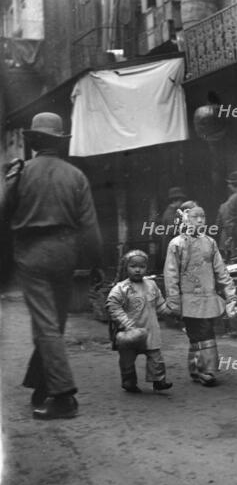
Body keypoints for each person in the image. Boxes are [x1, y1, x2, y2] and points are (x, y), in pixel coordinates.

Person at [9, 112, 102, 419]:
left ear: (34, 141)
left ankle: (63, 396)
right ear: (60, 143)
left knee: (45, 323)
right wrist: (91, 263)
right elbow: (89, 227)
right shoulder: (76, 176)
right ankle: (41, 382)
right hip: (65, 252)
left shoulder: (20, 171)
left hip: (31, 252)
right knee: (53, 321)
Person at [164, 201, 237, 387]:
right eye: (194, 217)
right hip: (188, 298)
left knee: (203, 332)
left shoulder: (210, 243)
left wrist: (231, 295)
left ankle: (200, 369)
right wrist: (174, 301)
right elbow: (170, 274)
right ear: (185, 219)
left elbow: (222, 271)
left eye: (202, 217)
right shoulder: (176, 244)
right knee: (199, 333)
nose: (199, 220)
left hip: (208, 297)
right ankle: (203, 370)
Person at [106, 250, 174, 393]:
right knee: (127, 360)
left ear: (146, 268)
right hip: (129, 332)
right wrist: (127, 325)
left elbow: (159, 304)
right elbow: (113, 306)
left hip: (150, 329)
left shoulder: (152, 285)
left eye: (142, 266)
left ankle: (159, 381)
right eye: (133, 266)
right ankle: (129, 382)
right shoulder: (120, 288)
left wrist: (170, 311)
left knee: (155, 357)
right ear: (126, 267)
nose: (138, 270)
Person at [216, 172, 237, 260]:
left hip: (232, 242)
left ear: (232, 185)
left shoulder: (229, 202)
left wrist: (230, 238)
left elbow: (223, 224)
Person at [157, 186, 187, 269]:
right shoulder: (170, 213)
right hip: (172, 246)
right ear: (175, 201)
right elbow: (172, 231)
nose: (182, 203)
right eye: (181, 201)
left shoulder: (174, 212)